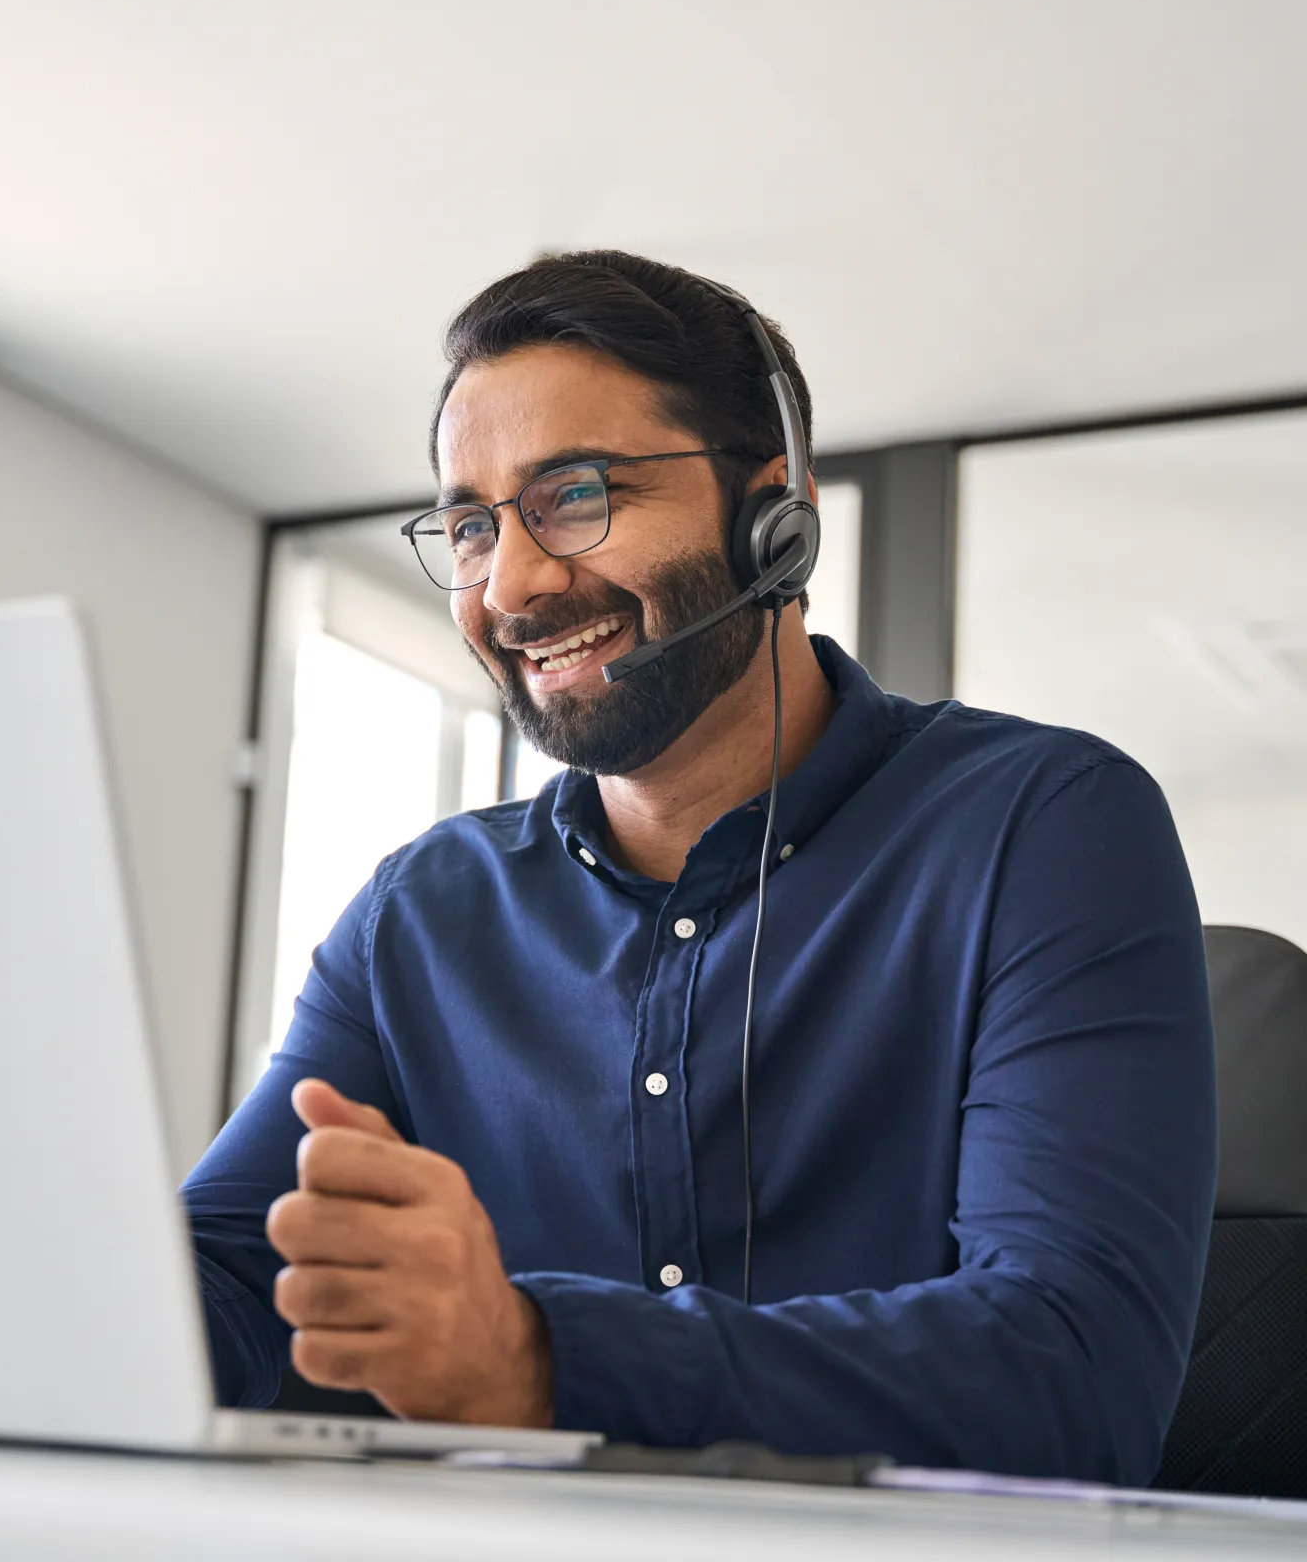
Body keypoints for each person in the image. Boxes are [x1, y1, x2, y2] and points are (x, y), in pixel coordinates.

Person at [182, 250, 1216, 1483]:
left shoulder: (1041, 827)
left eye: (573, 495)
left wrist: (538, 1358)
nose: (509, 584)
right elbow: (228, 1285)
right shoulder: (421, 914)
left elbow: (1073, 1372)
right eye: (470, 526)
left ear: (769, 512)